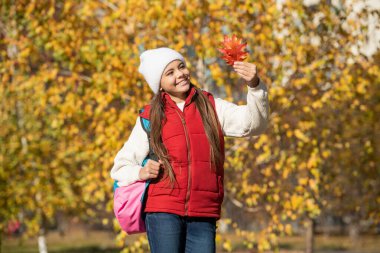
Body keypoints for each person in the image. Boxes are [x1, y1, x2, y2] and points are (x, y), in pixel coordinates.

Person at [110, 47, 269, 253]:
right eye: (170, 73)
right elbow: (120, 167)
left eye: (181, 66)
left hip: (204, 212)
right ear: (159, 85)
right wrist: (141, 172)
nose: (180, 74)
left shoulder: (212, 106)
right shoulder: (150, 117)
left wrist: (255, 86)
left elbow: (254, 124)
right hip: (162, 210)